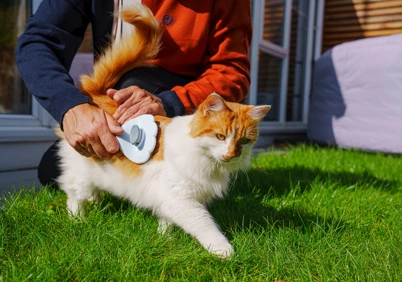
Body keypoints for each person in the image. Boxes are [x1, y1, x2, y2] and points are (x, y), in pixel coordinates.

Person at [16, 0, 252, 187]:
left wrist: (172, 102)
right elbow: (39, 41)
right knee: (54, 169)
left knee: (134, 86)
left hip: (183, 102)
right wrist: (70, 106)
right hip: (114, 93)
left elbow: (231, 70)